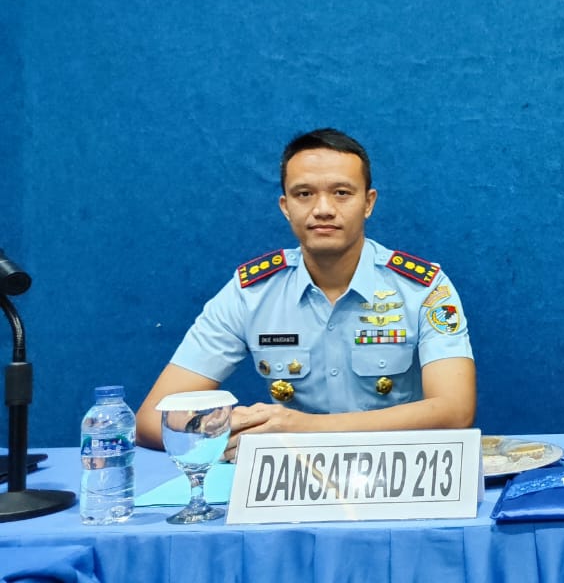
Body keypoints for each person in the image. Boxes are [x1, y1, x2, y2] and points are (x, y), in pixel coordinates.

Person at [137, 128, 476, 455]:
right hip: (292, 476)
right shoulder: (251, 293)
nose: (323, 208)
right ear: (285, 206)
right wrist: (221, 429)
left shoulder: (422, 288)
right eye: (304, 194)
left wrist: (305, 429)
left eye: (341, 192)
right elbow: (152, 420)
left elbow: (455, 411)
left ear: (368, 203)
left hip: (395, 471)